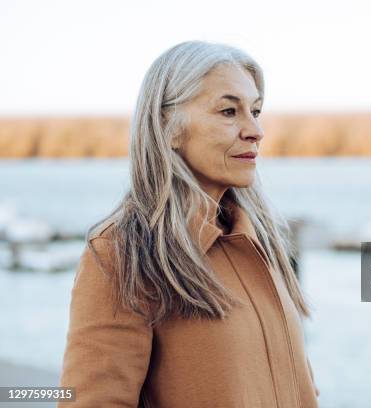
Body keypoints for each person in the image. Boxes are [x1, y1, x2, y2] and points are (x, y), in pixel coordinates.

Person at [58, 40, 320, 407]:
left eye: (256, 111)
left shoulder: (262, 243)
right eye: (229, 111)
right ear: (169, 126)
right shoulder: (122, 253)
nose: (255, 130)